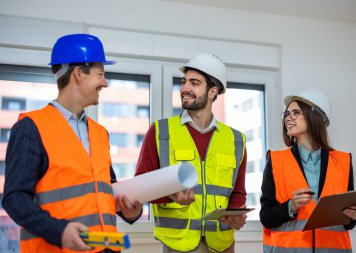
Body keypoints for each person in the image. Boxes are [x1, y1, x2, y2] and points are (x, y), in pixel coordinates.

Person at [2, 34, 142, 253]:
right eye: (100, 74)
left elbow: (105, 192)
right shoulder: (31, 127)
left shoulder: (100, 133)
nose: (104, 83)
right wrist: (59, 231)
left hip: (105, 248)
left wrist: (129, 212)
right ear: (78, 73)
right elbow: (14, 199)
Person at [135, 53, 248, 253]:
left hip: (222, 243)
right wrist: (170, 194)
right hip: (178, 243)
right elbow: (141, 186)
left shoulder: (236, 139)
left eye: (194, 83)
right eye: (184, 82)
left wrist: (236, 215)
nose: (185, 88)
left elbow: (237, 193)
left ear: (213, 91)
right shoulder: (161, 132)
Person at [260, 88, 356, 252]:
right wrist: (291, 206)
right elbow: (266, 217)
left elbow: (346, 223)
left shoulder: (343, 162)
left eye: (296, 112)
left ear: (315, 117)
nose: (288, 118)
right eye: (286, 114)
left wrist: (353, 216)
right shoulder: (275, 161)